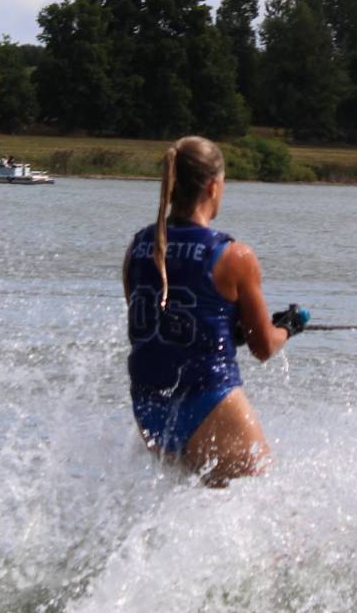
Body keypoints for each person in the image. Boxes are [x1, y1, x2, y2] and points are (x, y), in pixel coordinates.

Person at [122, 135, 307, 485]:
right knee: (268, 510)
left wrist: (225, 329)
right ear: (212, 186)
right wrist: (290, 326)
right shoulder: (234, 256)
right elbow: (264, 346)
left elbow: (158, 325)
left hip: (150, 406)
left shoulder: (138, 248)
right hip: (209, 397)